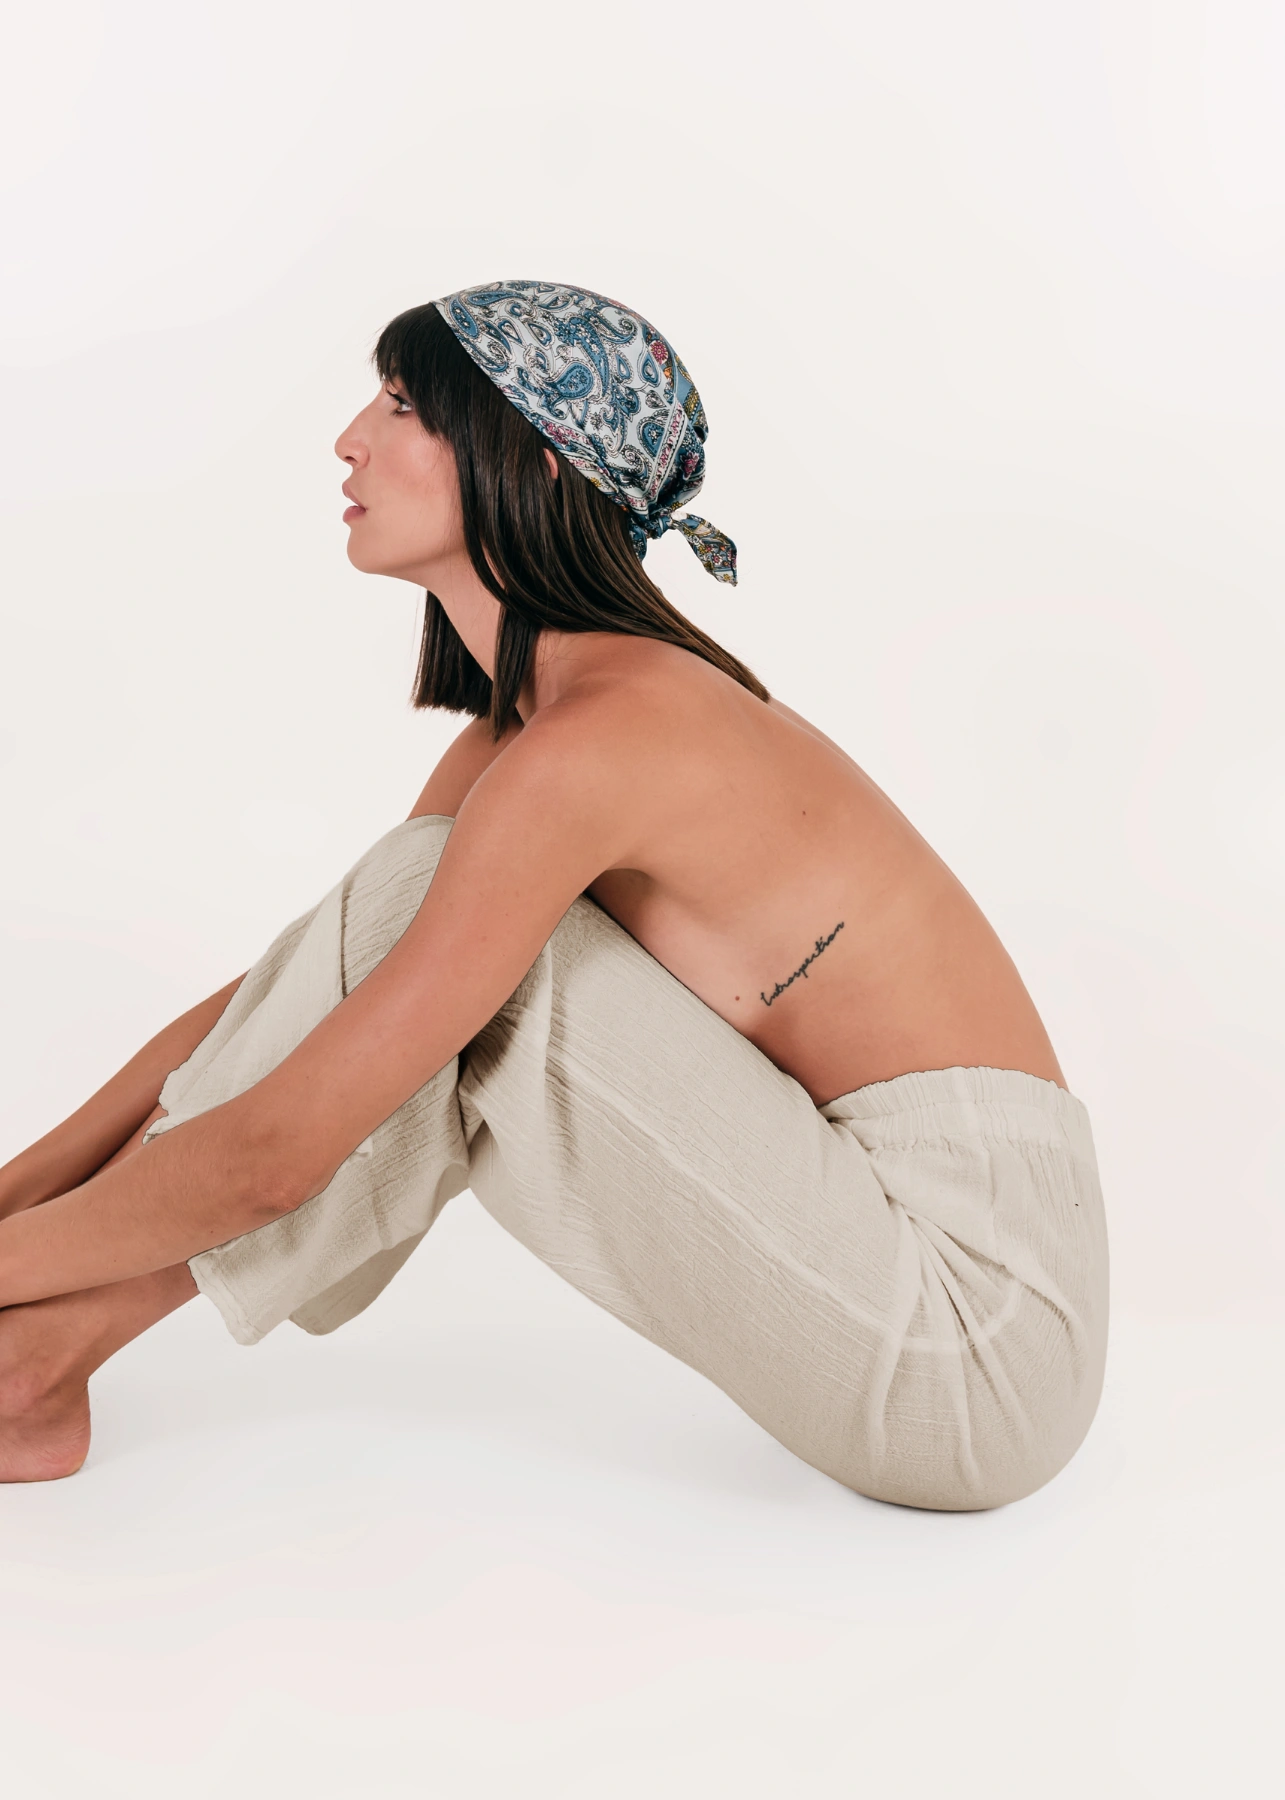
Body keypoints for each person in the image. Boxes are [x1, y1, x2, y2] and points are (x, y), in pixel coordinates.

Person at [0, 281, 1109, 1507]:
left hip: (974, 1336)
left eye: (402, 405)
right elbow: (302, 991)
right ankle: (34, 1365)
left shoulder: (605, 743)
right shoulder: (529, 740)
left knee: (435, 965)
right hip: (898, 1259)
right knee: (408, 951)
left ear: (530, 458)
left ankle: (31, 1363)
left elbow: (280, 1155)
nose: (349, 439)